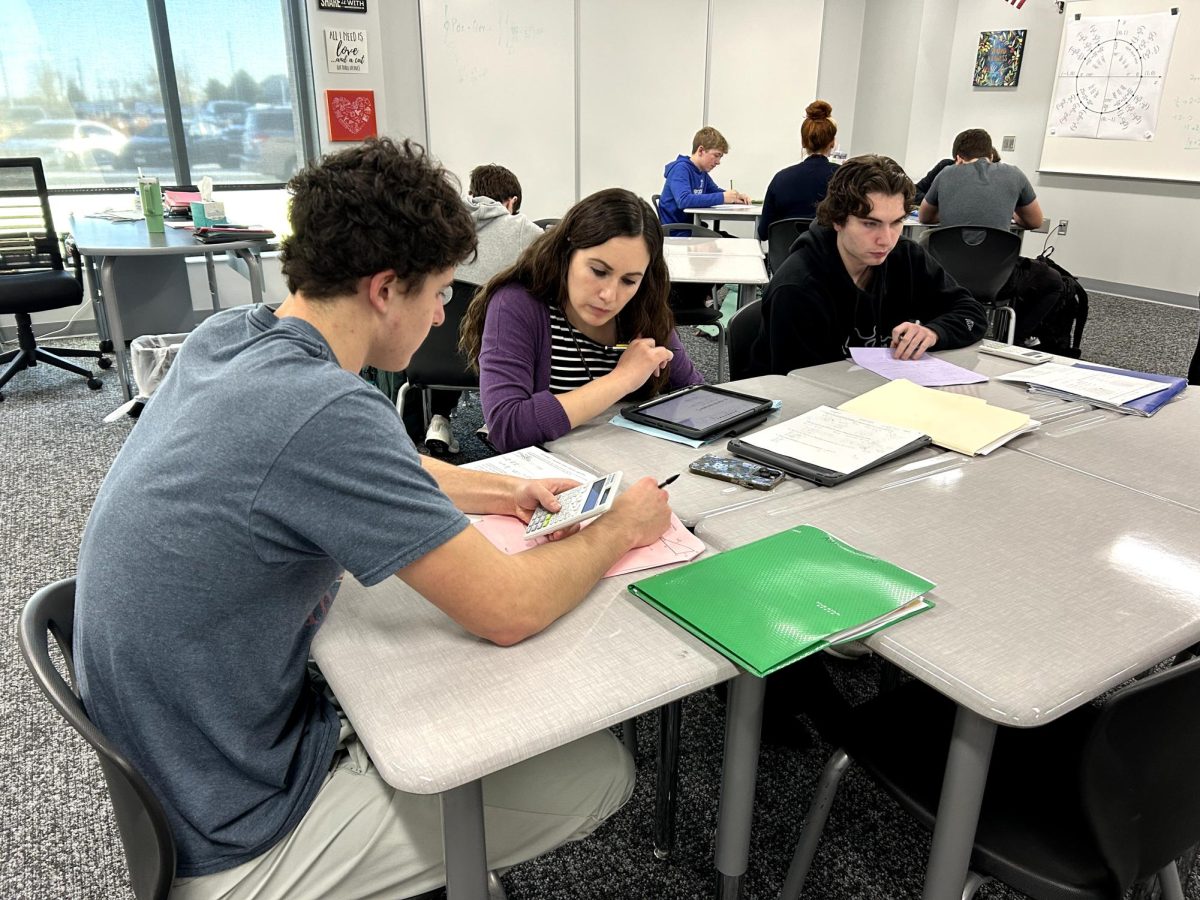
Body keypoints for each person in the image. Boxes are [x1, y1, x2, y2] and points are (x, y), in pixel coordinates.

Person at [74, 138, 672, 900]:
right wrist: (621, 526)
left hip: (189, 771)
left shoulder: (233, 336)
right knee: (597, 772)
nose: (442, 312)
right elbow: (508, 609)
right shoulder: (325, 407)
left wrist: (497, 492)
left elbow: (354, 463)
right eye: (440, 292)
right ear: (387, 288)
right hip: (236, 838)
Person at [460, 187, 704, 453]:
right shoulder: (517, 304)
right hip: (551, 480)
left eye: (629, 280)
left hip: (634, 466)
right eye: (598, 271)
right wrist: (622, 378)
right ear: (567, 253)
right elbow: (507, 428)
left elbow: (697, 395)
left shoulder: (642, 307)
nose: (609, 295)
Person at [743, 154, 987, 377]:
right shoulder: (797, 286)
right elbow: (803, 387)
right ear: (837, 220)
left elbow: (971, 314)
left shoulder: (905, 256)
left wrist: (934, 332)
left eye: (896, 222)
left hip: (875, 394)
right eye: (870, 224)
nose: (887, 239)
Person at [418, 163, 545, 456]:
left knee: (451, 315)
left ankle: (439, 421)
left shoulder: (440, 226)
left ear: (473, 194)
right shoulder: (522, 229)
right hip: (495, 359)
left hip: (430, 357)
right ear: (511, 202)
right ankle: (497, 417)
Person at [918, 128, 1043, 231]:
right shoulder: (1016, 174)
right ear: (991, 155)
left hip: (949, 256)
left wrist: (950, 213)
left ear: (959, 158)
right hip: (998, 257)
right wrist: (1014, 215)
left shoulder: (945, 173)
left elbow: (924, 217)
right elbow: (1035, 222)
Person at [756, 100, 840, 241]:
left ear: (803, 142)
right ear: (832, 143)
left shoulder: (780, 179)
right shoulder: (845, 178)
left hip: (786, 261)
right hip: (830, 261)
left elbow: (764, 232)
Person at [657, 125, 750, 228]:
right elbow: (684, 200)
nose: (718, 162)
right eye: (716, 155)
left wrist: (735, 197)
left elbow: (715, 191)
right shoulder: (680, 169)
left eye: (720, 157)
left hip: (692, 228)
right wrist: (723, 197)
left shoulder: (702, 172)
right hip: (677, 232)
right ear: (701, 150)